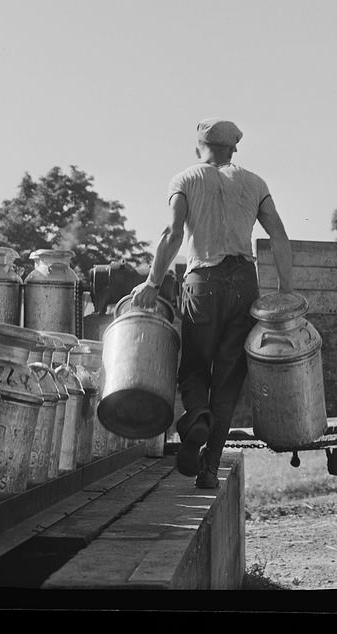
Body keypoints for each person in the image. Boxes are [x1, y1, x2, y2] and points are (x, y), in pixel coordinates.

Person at [130, 118, 293, 489]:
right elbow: (280, 236)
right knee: (229, 378)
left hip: (203, 280)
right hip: (244, 283)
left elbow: (173, 234)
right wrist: (285, 289)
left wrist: (153, 282)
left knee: (194, 367)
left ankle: (197, 416)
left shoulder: (185, 179)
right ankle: (209, 469)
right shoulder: (255, 183)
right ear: (233, 148)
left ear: (199, 145)